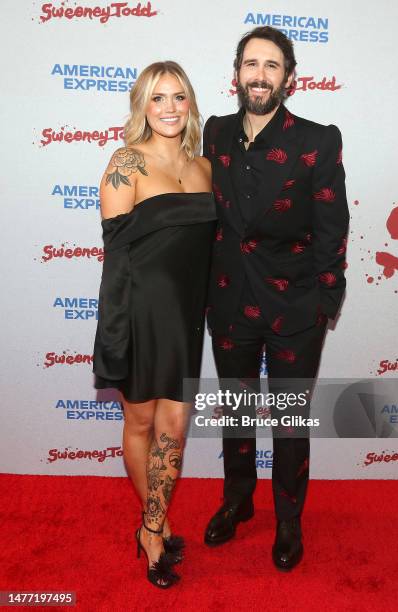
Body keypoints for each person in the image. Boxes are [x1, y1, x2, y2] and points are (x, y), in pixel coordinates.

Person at [203, 26, 349, 570]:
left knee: (289, 420)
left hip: (295, 307)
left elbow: (334, 226)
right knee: (236, 412)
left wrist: (325, 302)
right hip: (228, 302)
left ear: (290, 76)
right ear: (236, 73)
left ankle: (288, 517)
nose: (259, 75)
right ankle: (238, 499)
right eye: (250, 64)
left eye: (271, 66)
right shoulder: (214, 134)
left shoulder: (316, 140)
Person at [93, 61, 216, 588]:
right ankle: (153, 530)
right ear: (142, 105)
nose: (169, 108)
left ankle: (152, 522)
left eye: (178, 97)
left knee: (175, 432)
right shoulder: (127, 162)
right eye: (157, 98)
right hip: (142, 313)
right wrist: (115, 332)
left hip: (187, 318)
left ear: (190, 104)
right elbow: (116, 257)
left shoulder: (204, 167)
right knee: (142, 425)